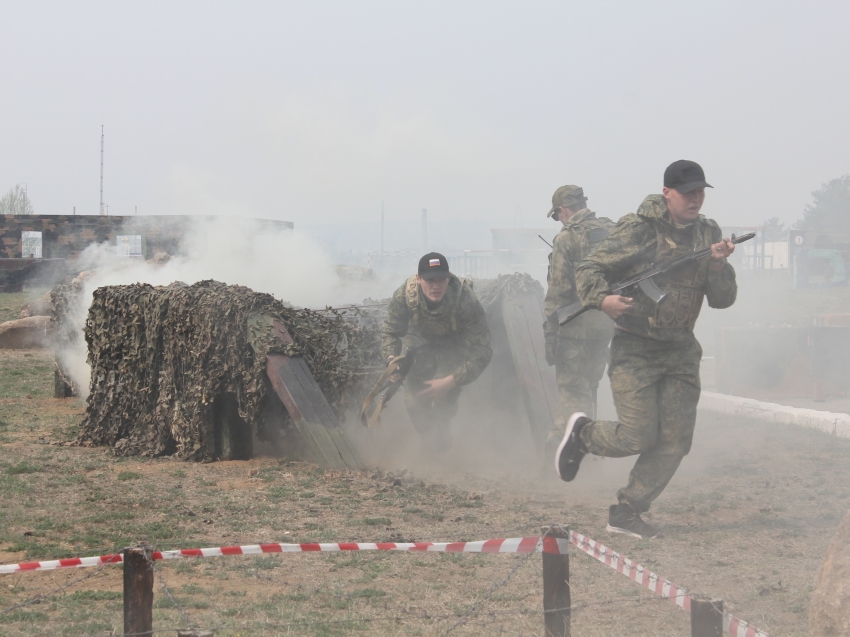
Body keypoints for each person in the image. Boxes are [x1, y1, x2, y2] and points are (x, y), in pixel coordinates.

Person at [555, 160, 738, 539]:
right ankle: (584, 436)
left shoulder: (708, 233)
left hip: (681, 350)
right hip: (636, 348)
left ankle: (627, 511)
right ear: (667, 193)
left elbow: (723, 301)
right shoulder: (638, 228)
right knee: (639, 435)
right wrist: (602, 300)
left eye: (700, 192)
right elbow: (590, 268)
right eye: (688, 192)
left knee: (675, 440)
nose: (696, 199)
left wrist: (719, 268)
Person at [381, 252, 492, 453]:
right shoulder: (405, 296)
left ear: (448, 278)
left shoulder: (465, 299)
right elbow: (391, 331)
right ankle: (430, 443)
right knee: (415, 403)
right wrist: (391, 361)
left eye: (441, 280)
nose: (436, 286)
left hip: (453, 346)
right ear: (418, 279)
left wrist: (452, 380)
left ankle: (443, 443)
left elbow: (483, 350)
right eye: (430, 280)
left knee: (444, 403)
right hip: (419, 346)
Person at [543, 185, 615, 460]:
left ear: (562, 210)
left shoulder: (567, 238)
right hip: (604, 325)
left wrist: (551, 330)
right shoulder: (611, 230)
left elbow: (558, 290)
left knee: (573, 391)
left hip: (573, 328)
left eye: (557, 215)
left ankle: (562, 448)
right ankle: (573, 445)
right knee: (588, 388)